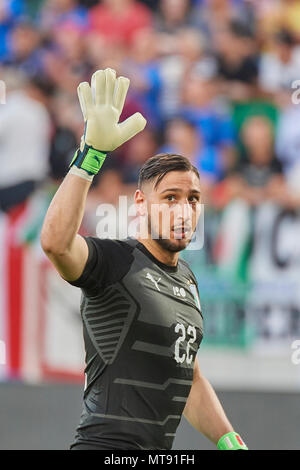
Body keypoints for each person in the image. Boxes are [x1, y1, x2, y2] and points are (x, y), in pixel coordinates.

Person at [40, 68, 248, 450]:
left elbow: (191, 376)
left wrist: (229, 440)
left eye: (193, 199)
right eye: (170, 197)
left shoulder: (186, 279)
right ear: (140, 204)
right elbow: (55, 243)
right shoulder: (115, 259)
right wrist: (91, 157)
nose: (183, 209)